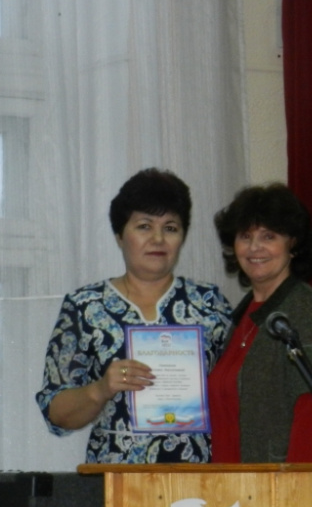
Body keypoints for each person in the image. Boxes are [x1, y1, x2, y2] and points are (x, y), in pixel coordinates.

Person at [36, 168, 232, 463]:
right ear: (119, 235)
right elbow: (57, 413)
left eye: (170, 228)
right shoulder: (85, 306)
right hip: (116, 476)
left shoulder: (210, 304)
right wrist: (101, 389)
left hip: (198, 477)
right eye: (144, 226)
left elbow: (236, 394)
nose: (158, 239)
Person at [208, 183, 312, 463]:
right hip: (234, 484)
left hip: (285, 486)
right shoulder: (242, 318)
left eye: (269, 236)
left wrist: (293, 486)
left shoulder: (308, 314)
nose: (254, 247)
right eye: (245, 236)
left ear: (293, 244)